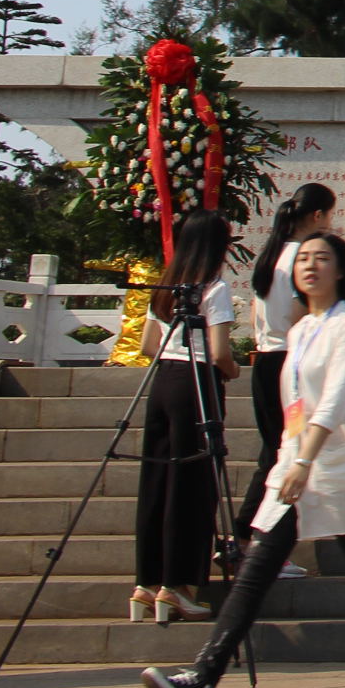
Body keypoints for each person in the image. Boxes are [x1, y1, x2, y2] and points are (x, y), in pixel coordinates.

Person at [142, 232, 345, 688]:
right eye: (303, 259)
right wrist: (289, 459)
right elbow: (296, 405)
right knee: (256, 570)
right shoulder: (300, 330)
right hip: (296, 466)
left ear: (341, 270)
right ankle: (203, 678)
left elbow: (336, 401)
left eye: (322, 258)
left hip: (339, 466)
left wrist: (305, 461)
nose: (310, 266)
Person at [132, 209, 237, 625]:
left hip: (162, 382)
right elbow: (219, 352)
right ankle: (178, 586)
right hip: (196, 385)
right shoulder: (214, 288)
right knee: (192, 485)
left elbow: (147, 345)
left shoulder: (166, 286)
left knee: (157, 480)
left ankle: (146, 583)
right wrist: (233, 370)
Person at [235, 184, 334, 564]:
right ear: (317, 216)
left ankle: (251, 538)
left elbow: (255, 315)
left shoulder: (273, 254)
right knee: (286, 452)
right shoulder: (300, 257)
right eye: (329, 215)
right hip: (289, 370)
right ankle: (252, 539)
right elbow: (298, 316)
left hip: (266, 361)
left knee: (277, 450)